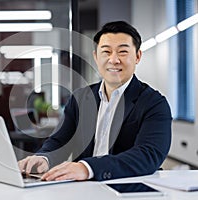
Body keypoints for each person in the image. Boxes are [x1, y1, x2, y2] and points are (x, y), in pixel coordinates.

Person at [18, 21, 172, 181]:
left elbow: (148, 155)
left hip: (129, 188)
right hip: (84, 189)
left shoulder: (154, 103)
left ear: (138, 56)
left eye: (123, 52)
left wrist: (88, 168)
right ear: (96, 57)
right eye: (106, 52)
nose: (114, 60)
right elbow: (60, 140)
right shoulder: (80, 99)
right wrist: (44, 158)